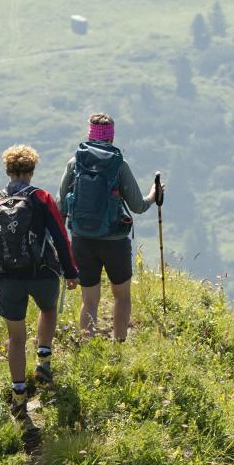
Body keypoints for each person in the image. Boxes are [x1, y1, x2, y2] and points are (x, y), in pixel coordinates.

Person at [0, 145, 79, 417]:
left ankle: (19, 392)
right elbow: (60, 236)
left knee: (15, 336)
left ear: (8, 170)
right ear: (32, 171)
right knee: (48, 310)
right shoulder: (42, 198)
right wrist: (71, 271)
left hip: (9, 277)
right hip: (42, 272)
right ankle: (43, 360)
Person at [58, 113, 163, 341]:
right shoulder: (118, 164)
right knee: (122, 296)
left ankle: (87, 345)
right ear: (111, 137)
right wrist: (154, 195)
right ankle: (119, 343)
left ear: (89, 134)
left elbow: (60, 206)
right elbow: (137, 206)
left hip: (82, 239)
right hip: (114, 241)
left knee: (89, 300)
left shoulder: (75, 162)